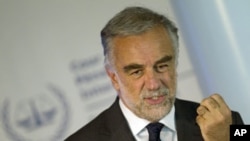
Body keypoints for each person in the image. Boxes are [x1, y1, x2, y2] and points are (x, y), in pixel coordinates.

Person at [65, 6, 244, 141]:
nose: (153, 84)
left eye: (162, 66)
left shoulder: (229, 124)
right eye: (136, 71)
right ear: (113, 78)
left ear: (175, 63)